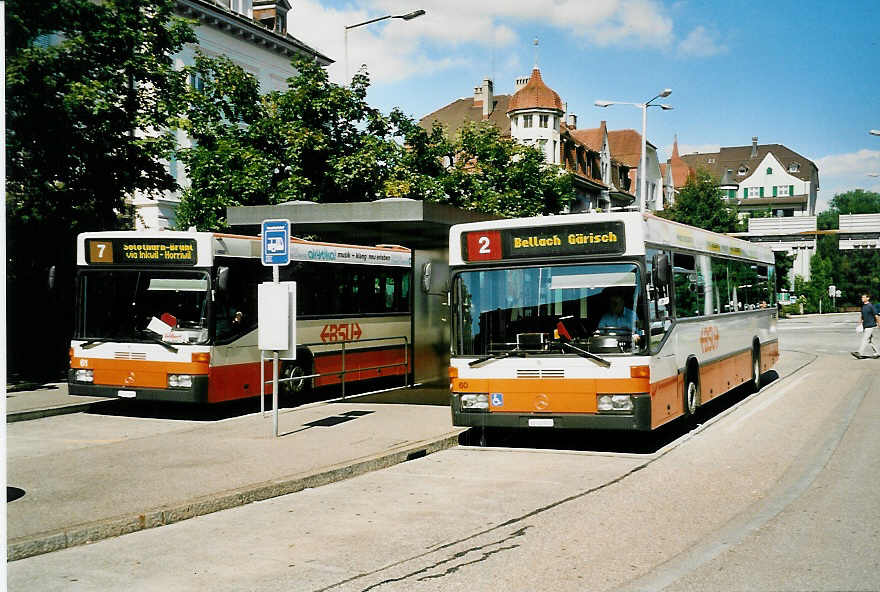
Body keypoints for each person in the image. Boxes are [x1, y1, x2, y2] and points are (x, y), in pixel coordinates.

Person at [852, 293, 880, 359]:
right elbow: (862, 315)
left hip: (870, 325)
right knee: (871, 340)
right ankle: (878, 352)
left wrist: (879, 324)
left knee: (865, 339)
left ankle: (860, 353)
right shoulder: (863, 306)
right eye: (862, 297)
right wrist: (860, 322)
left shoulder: (871, 306)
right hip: (865, 325)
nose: (862, 299)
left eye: (864, 297)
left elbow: (876, 315)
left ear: (868, 298)